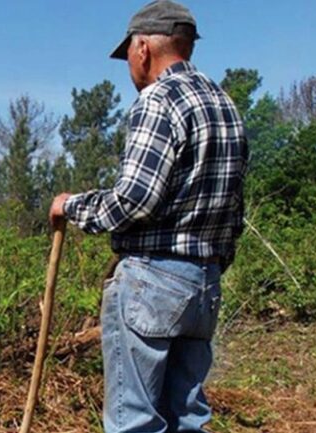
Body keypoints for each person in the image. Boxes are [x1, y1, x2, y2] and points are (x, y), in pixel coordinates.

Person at [48, 1, 249, 431]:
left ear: (142, 48)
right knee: (188, 417)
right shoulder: (225, 104)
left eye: (129, 57)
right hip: (205, 282)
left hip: (153, 282)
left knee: (134, 420)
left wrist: (71, 205)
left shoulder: (158, 101)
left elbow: (134, 201)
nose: (130, 68)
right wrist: (209, 268)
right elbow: (235, 210)